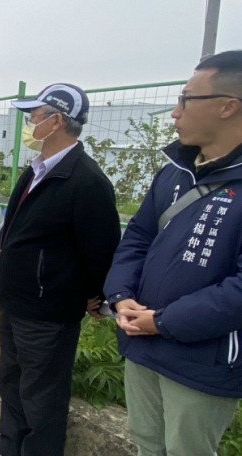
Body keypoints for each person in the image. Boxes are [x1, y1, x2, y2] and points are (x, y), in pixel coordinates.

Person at [103, 50, 242, 456]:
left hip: (203, 361)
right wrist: (120, 297)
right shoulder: (174, 171)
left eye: (185, 100)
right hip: (142, 341)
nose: (174, 114)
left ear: (227, 107)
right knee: (147, 444)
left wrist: (162, 321)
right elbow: (137, 237)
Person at [0, 84, 120, 456]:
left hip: (49, 311)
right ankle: (8, 447)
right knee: (12, 381)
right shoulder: (36, 170)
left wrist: (95, 295)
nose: (28, 124)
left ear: (56, 121)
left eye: (33, 116)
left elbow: (101, 250)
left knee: (43, 396)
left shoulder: (87, 182)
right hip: (17, 302)